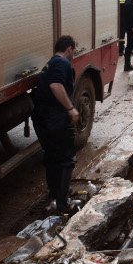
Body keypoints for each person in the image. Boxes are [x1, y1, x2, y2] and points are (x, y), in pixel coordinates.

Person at [32, 35, 80, 214]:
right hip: (56, 118)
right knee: (66, 159)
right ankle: (63, 203)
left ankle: (54, 195)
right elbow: (55, 85)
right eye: (73, 51)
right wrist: (70, 108)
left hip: (43, 118)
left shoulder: (50, 63)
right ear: (69, 49)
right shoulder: (62, 63)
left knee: (52, 156)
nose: (73, 54)